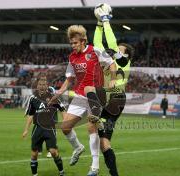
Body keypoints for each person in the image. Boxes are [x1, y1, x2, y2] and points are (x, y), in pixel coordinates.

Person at [49, 24, 117, 176]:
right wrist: (59, 92)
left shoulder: (95, 51)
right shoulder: (72, 57)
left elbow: (111, 63)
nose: (73, 46)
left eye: (75, 43)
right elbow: (70, 79)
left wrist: (112, 79)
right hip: (80, 95)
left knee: (91, 127)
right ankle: (78, 147)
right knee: (66, 127)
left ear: (83, 41)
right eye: (71, 43)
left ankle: (94, 167)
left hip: (95, 94)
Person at [83, 4, 135, 176]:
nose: (116, 50)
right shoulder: (109, 60)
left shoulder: (123, 62)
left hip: (116, 99)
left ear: (126, 55)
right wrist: (98, 24)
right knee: (104, 142)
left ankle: (95, 115)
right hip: (106, 99)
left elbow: (111, 43)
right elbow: (98, 43)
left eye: (120, 50)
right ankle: (113, 173)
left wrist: (105, 21)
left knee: (89, 89)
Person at [22, 76, 65, 176]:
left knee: (53, 151)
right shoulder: (33, 98)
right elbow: (31, 115)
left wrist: (65, 123)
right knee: (34, 154)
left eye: (44, 85)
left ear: (47, 86)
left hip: (49, 128)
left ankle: (61, 172)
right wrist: (26, 130)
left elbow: (62, 109)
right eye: (40, 85)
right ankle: (35, 174)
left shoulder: (53, 97)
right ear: (37, 86)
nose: (42, 86)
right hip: (37, 128)